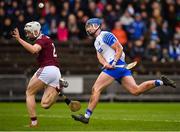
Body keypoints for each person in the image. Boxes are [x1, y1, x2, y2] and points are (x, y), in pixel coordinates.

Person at [71, 18, 176, 124]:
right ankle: (162, 82)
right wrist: (105, 64)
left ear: (96, 25)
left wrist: (113, 62)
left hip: (116, 66)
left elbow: (119, 49)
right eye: (87, 27)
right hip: (118, 67)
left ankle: (86, 116)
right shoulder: (96, 42)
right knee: (136, 90)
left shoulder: (105, 35)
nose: (88, 29)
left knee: (96, 88)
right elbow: (100, 57)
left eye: (90, 26)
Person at [12, 21, 81, 127]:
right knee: (45, 104)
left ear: (35, 31)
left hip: (47, 69)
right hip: (56, 72)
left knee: (29, 93)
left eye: (29, 33)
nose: (27, 35)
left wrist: (19, 39)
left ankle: (34, 123)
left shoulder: (41, 40)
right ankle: (58, 89)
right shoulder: (45, 38)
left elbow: (34, 50)